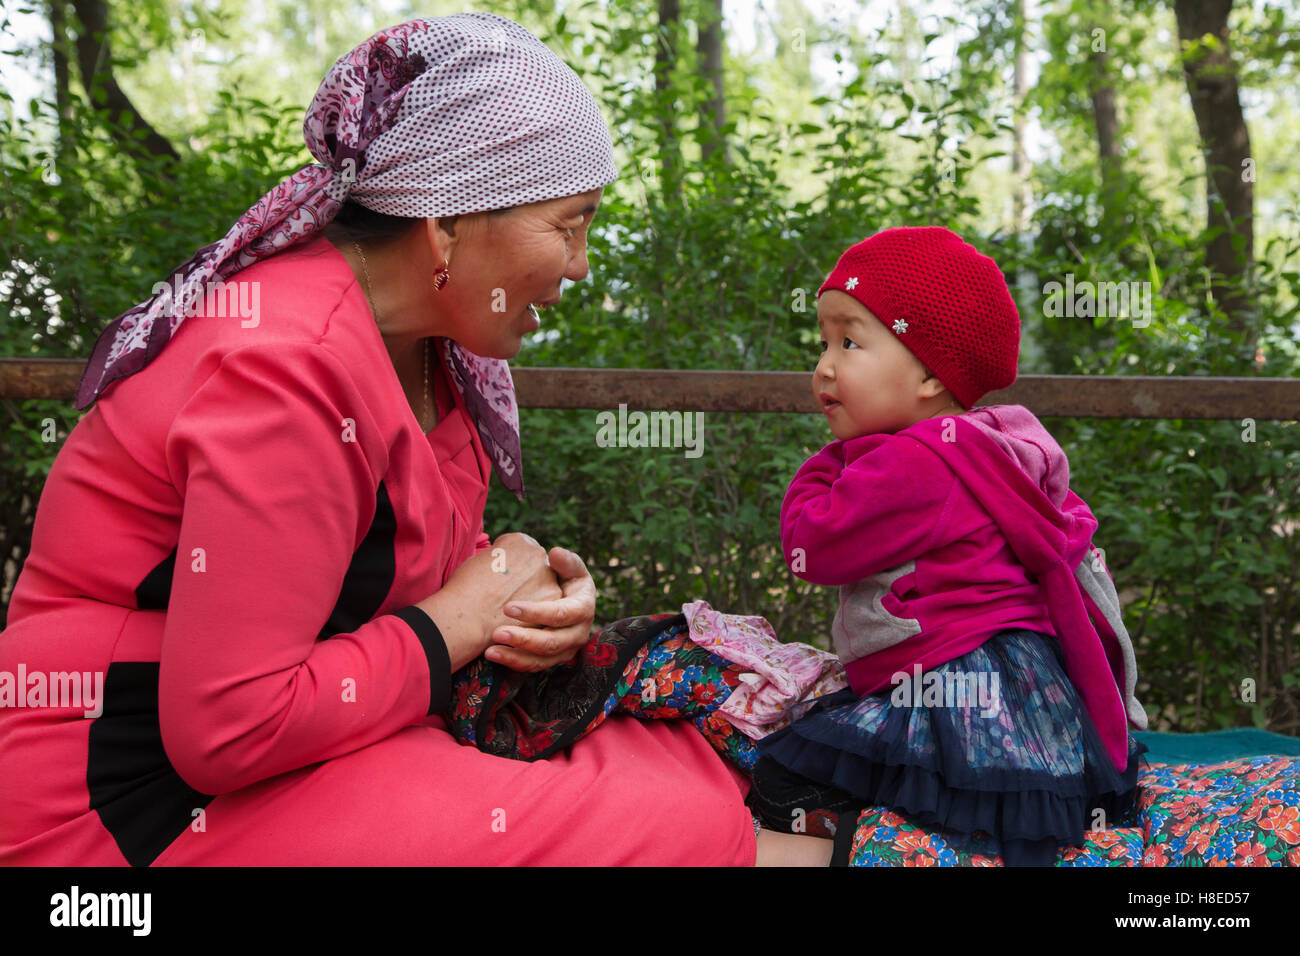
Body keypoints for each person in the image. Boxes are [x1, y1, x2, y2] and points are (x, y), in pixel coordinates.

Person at [0, 13, 833, 866]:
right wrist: (449, 628)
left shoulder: (433, 350)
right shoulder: (287, 369)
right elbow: (228, 725)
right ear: (449, 226)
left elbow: (410, 567)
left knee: (680, 762)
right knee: (678, 833)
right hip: (129, 792)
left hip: (313, 731)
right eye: (570, 224)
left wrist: (522, 592)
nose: (581, 264)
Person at [745, 226, 1150, 866]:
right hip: (1033, 688)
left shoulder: (915, 464)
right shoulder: (1003, 444)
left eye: (849, 341)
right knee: (992, 803)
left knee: (786, 780)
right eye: (822, 342)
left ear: (932, 371)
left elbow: (813, 542)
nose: (823, 366)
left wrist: (827, 464)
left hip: (955, 683)